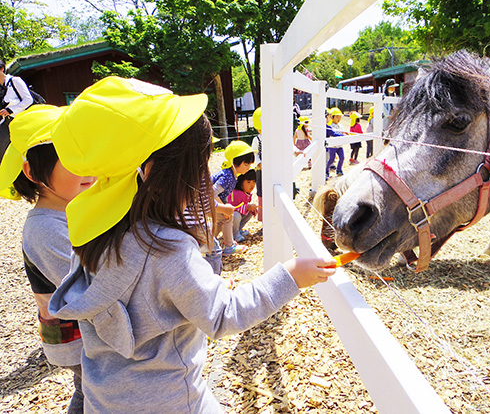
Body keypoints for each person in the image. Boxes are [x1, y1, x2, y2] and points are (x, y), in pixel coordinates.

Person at [47, 76, 336, 414]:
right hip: (173, 402)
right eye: (198, 168)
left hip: (106, 400)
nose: (202, 179)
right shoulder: (167, 249)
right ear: (151, 171)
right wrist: (290, 275)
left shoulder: (89, 234)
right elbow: (224, 315)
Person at [0, 105, 96, 414]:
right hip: (78, 336)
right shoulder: (43, 227)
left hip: (90, 330)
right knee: (93, 394)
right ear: (31, 171)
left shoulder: (72, 210)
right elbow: (87, 287)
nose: (89, 170)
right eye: (72, 160)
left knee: (94, 392)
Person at [212, 140, 255, 255]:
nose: (248, 168)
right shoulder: (228, 176)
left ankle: (209, 242)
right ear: (234, 162)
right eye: (246, 165)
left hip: (211, 202)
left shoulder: (232, 175)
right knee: (227, 218)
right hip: (208, 201)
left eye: (250, 165)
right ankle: (229, 246)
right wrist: (224, 207)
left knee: (221, 221)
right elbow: (212, 192)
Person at [0, 60, 35, 161]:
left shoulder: (15, 81)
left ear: (2, 69)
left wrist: (11, 110)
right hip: (6, 122)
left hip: (21, 120)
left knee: (25, 149)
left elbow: (28, 99)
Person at [227, 169, 258, 242]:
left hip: (235, 216)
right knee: (236, 215)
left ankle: (238, 229)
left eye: (254, 182)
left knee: (249, 212)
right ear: (240, 182)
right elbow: (233, 208)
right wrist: (247, 207)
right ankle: (234, 233)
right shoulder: (236, 194)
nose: (252, 185)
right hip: (228, 217)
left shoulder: (245, 193)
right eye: (248, 182)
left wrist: (250, 208)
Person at [325, 107, 346, 178]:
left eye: (340, 117)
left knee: (342, 157)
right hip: (333, 146)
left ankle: (339, 169)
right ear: (332, 117)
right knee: (331, 159)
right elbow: (333, 134)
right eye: (337, 117)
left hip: (340, 145)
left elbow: (342, 132)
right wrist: (343, 135)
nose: (339, 118)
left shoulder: (341, 126)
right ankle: (326, 170)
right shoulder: (330, 126)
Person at [251, 107, 263, 223]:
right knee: (261, 193)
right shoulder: (257, 139)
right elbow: (254, 153)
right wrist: (259, 163)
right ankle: (263, 218)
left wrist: (295, 151)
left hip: (274, 168)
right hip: (261, 170)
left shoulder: (276, 138)